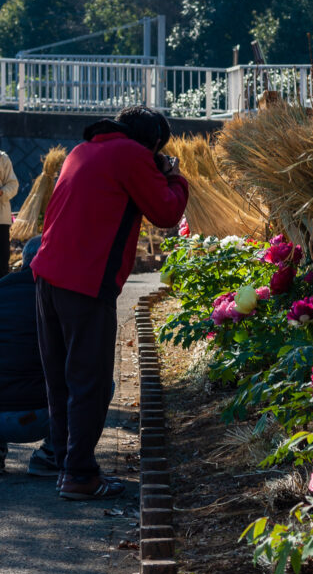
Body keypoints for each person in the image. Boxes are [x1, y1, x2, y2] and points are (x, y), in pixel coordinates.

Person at [31, 106, 188, 500]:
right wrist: (174, 176)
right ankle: (80, 475)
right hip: (85, 282)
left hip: (47, 276)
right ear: (152, 142)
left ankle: (62, 458)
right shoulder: (131, 155)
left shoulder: (81, 151)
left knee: (61, 380)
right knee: (91, 383)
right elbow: (167, 211)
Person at [0, 236, 59, 476]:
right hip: (40, 415)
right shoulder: (59, 297)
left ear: (23, 261)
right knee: (101, 383)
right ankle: (52, 455)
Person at [0, 148, 19, 278]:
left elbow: (13, 185)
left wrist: (1, 192)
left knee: (1, 258)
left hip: (1, 218)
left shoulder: (3, 158)